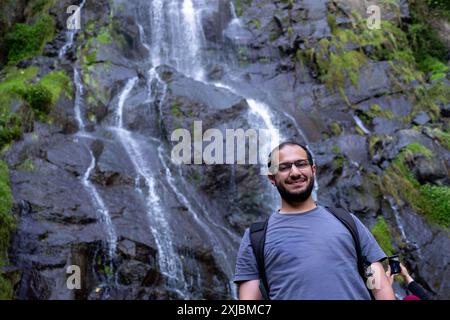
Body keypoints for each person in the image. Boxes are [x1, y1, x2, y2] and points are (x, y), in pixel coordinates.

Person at [234, 142, 395, 300]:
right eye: (284, 167)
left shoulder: (347, 221)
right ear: (272, 178)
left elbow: (379, 285)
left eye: (301, 164)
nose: (295, 172)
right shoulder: (255, 238)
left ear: (313, 170)